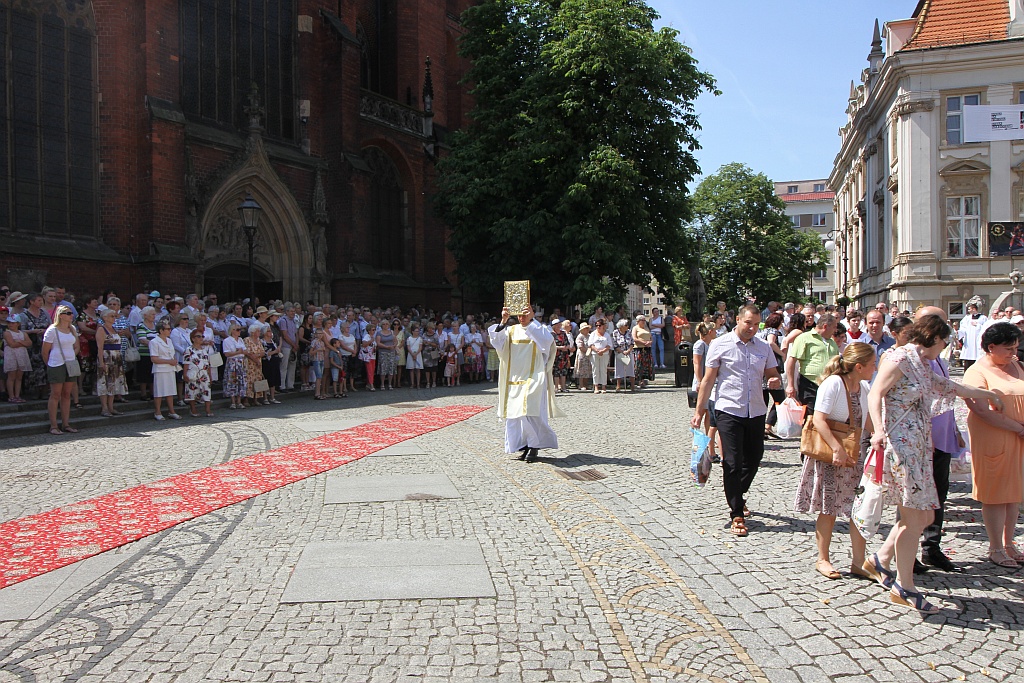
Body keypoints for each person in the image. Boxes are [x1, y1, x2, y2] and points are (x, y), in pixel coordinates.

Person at [864, 315, 1003, 614]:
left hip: (920, 446)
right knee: (914, 519)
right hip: (901, 446)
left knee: (923, 515)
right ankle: (905, 586)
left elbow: (951, 387)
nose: (945, 347)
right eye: (944, 341)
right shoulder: (899, 357)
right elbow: (875, 394)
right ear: (933, 337)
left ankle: (880, 560)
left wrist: (988, 394)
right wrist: (877, 430)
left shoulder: (923, 363)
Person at [692, 305, 782, 536]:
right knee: (732, 461)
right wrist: (700, 410)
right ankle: (737, 513)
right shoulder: (720, 345)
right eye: (748, 323)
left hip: (756, 410)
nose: (752, 328)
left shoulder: (763, 347)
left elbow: (773, 374)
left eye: (756, 324)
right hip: (728, 409)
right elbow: (708, 380)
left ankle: (736, 494)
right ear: (738, 320)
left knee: (753, 459)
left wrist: (774, 381)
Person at [793, 342, 876, 580]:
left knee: (858, 509)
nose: (875, 367)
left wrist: (881, 436)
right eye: (872, 364)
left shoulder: (864, 387)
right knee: (828, 507)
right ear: (859, 366)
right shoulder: (833, 384)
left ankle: (858, 562)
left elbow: (866, 421)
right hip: (832, 454)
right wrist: (837, 449)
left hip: (855, 455)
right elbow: (819, 419)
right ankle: (823, 558)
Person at [962, 322, 1024, 569]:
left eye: (1015, 347)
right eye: (1008, 348)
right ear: (991, 347)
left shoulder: (1016, 365)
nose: (1013, 353)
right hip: (994, 437)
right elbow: (980, 409)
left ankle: (1009, 543)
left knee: (1013, 495)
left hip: (1018, 437)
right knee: (996, 494)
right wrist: (1018, 428)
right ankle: (995, 547)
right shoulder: (977, 372)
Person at [489, 305, 563, 463]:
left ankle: (534, 446)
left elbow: (547, 342)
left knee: (529, 411)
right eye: (519, 315)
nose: (522, 318)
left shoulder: (538, 329)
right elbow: (497, 342)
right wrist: (503, 320)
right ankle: (524, 445)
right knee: (516, 414)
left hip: (533, 377)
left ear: (531, 314)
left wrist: (531, 321)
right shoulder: (511, 330)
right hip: (514, 378)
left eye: (525, 315)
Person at [785, 314, 838, 412]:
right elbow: (791, 361)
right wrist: (790, 385)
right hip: (809, 384)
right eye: (834, 327)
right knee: (810, 415)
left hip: (828, 385)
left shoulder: (832, 342)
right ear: (825, 326)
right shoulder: (804, 337)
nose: (836, 330)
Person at [42, 305, 81, 434]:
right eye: (68, 313)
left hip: (70, 363)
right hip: (56, 363)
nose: (71, 315)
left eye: (71, 313)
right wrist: (50, 364)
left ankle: (66, 423)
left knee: (66, 394)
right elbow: (45, 351)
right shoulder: (52, 330)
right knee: (55, 394)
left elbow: (76, 346)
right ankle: (53, 425)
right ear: (61, 315)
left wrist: (72, 356)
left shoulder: (72, 329)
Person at [692, 322, 719, 463]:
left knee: (709, 412)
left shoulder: (710, 344)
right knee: (701, 411)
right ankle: (698, 441)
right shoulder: (699, 344)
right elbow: (697, 363)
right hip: (702, 381)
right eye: (714, 330)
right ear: (709, 332)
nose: (716, 332)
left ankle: (710, 441)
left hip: (708, 382)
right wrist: (699, 381)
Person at [94, 308, 128, 416]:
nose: (114, 318)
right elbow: (99, 347)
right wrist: (101, 362)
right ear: (105, 317)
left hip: (116, 359)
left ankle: (111, 407)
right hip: (106, 357)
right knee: (104, 383)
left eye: (114, 316)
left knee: (113, 383)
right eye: (112, 316)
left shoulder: (113, 329)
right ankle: (104, 408)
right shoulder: (101, 330)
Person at [149, 319, 181, 420]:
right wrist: (168, 361)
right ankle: (157, 412)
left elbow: (171, 354)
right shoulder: (154, 342)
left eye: (170, 329)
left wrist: (174, 360)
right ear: (161, 330)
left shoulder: (170, 341)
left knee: (170, 390)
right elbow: (154, 358)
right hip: (160, 369)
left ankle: (171, 411)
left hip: (170, 369)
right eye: (167, 329)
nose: (169, 330)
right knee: (159, 391)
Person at [183, 328, 214, 417]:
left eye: (202, 336)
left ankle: (208, 410)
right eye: (198, 336)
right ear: (193, 338)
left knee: (206, 391)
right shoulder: (189, 350)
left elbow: (208, 363)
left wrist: (210, 375)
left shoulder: (205, 350)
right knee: (192, 391)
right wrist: (185, 374)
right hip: (193, 373)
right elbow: (186, 363)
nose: (201, 338)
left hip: (204, 374)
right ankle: (193, 409)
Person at [3, 314, 31, 403]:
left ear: (18, 324)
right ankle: (11, 396)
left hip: (21, 356)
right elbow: (11, 344)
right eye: (9, 323)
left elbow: (29, 343)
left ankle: (17, 395)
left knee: (19, 376)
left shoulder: (23, 333)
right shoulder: (7, 333)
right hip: (11, 356)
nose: (11, 325)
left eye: (13, 323)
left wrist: (19, 341)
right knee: (11, 376)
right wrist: (23, 343)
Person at [223, 323, 248, 410]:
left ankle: (239, 401)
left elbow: (245, 351)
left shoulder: (240, 340)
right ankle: (233, 402)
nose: (239, 331)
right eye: (237, 330)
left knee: (241, 381)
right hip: (232, 362)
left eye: (240, 329)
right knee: (232, 381)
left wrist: (240, 352)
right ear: (232, 331)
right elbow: (227, 353)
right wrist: (237, 352)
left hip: (241, 362)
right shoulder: (227, 340)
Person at [958, 302, 987, 370]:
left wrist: (978, 325)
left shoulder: (983, 318)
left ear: (974, 309)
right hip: (969, 342)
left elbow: (986, 328)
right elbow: (963, 328)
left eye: (969, 309)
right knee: (968, 358)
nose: (968, 310)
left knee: (978, 356)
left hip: (978, 341)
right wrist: (959, 333)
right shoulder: (967, 318)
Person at [588, 319, 612, 394]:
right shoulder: (593, 334)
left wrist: (603, 351)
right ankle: (596, 386)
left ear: (603, 326)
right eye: (597, 325)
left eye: (600, 325)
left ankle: (604, 386)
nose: (598, 327)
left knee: (603, 370)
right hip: (595, 354)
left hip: (604, 354)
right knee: (595, 370)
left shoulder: (607, 334)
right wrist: (597, 350)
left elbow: (609, 345)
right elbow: (590, 344)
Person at [261, 323, 283, 404]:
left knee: (274, 379)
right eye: (268, 331)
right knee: (267, 379)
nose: (270, 333)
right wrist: (274, 351)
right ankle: (265, 398)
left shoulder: (272, 341)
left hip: (274, 361)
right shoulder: (262, 342)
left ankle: (272, 397)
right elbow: (264, 353)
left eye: (270, 331)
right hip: (267, 363)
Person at [611, 319, 635, 392]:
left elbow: (632, 343)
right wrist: (622, 351)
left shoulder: (629, 332)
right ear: (621, 326)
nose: (627, 326)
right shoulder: (615, 333)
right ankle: (618, 386)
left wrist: (628, 351)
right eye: (626, 325)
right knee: (619, 369)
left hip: (629, 353)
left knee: (630, 369)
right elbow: (615, 344)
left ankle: (632, 386)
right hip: (619, 354)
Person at [574, 322, 593, 391]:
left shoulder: (590, 335)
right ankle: (581, 385)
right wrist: (587, 351)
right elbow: (580, 347)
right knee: (581, 370)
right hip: (582, 355)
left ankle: (586, 384)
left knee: (587, 370)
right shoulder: (580, 336)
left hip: (589, 355)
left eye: (588, 328)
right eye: (586, 328)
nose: (587, 330)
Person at [359, 322, 378, 390]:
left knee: (372, 371)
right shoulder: (366, 336)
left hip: (373, 355)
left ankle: (368, 384)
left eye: (374, 330)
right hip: (368, 356)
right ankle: (371, 385)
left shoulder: (373, 337)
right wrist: (370, 341)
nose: (374, 331)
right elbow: (364, 344)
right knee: (369, 370)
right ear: (369, 330)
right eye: (372, 330)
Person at [405, 324, 423, 389]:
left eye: (418, 331)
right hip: (411, 354)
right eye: (416, 331)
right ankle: (412, 383)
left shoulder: (420, 339)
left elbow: (420, 347)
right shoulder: (409, 339)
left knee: (418, 369)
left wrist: (416, 354)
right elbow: (408, 347)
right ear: (412, 331)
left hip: (418, 354)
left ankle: (418, 384)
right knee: (411, 369)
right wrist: (412, 354)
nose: (417, 332)